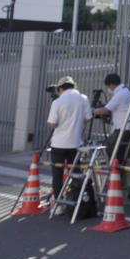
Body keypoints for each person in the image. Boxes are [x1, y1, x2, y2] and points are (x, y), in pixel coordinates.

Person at [47, 75, 91, 212]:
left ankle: (59, 205)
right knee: (77, 173)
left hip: (59, 144)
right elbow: (88, 118)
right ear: (74, 86)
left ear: (60, 88)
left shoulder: (58, 102)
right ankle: (77, 201)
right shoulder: (83, 98)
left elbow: (53, 124)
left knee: (57, 175)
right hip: (75, 144)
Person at [93, 73, 130, 163]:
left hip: (123, 128)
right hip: (126, 127)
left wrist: (93, 111)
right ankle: (118, 170)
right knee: (119, 151)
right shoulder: (126, 90)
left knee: (108, 147)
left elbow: (106, 110)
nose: (109, 89)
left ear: (111, 85)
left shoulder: (120, 94)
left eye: (108, 86)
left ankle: (114, 169)